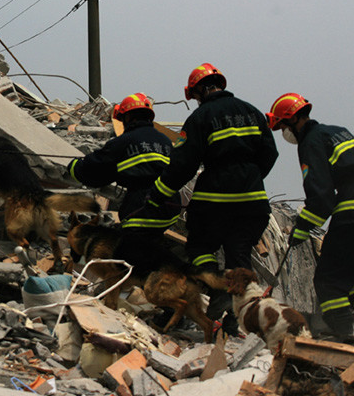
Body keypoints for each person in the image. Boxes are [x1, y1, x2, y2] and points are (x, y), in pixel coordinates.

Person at [146, 63, 279, 331]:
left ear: (197, 91)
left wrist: (157, 194)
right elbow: (270, 154)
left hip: (214, 202)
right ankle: (235, 320)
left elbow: (183, 163)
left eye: (194, 96)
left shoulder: (201, 118)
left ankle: (217, 287)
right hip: (253, 202)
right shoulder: (252, 112)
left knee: (199, 248)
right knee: (239, 256)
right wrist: (249, 178)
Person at [266, 92, 354, 341]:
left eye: (282, 126)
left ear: (292, 120)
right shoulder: (337, 131)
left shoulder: (311, 142)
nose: (284, 132)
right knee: (349, 271)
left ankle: (343, 335)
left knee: (327, 279)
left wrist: (302, 228)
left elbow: (321, 197)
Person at [67, 93, 183, 275]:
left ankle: (137, 283)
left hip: (143, 204)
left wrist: (73, 166)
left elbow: (95, 168)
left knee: (131, 251)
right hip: (171, 205)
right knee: (151, 245)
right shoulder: (165, 141)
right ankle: (155, 278)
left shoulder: (123, 142)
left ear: (128, 116)